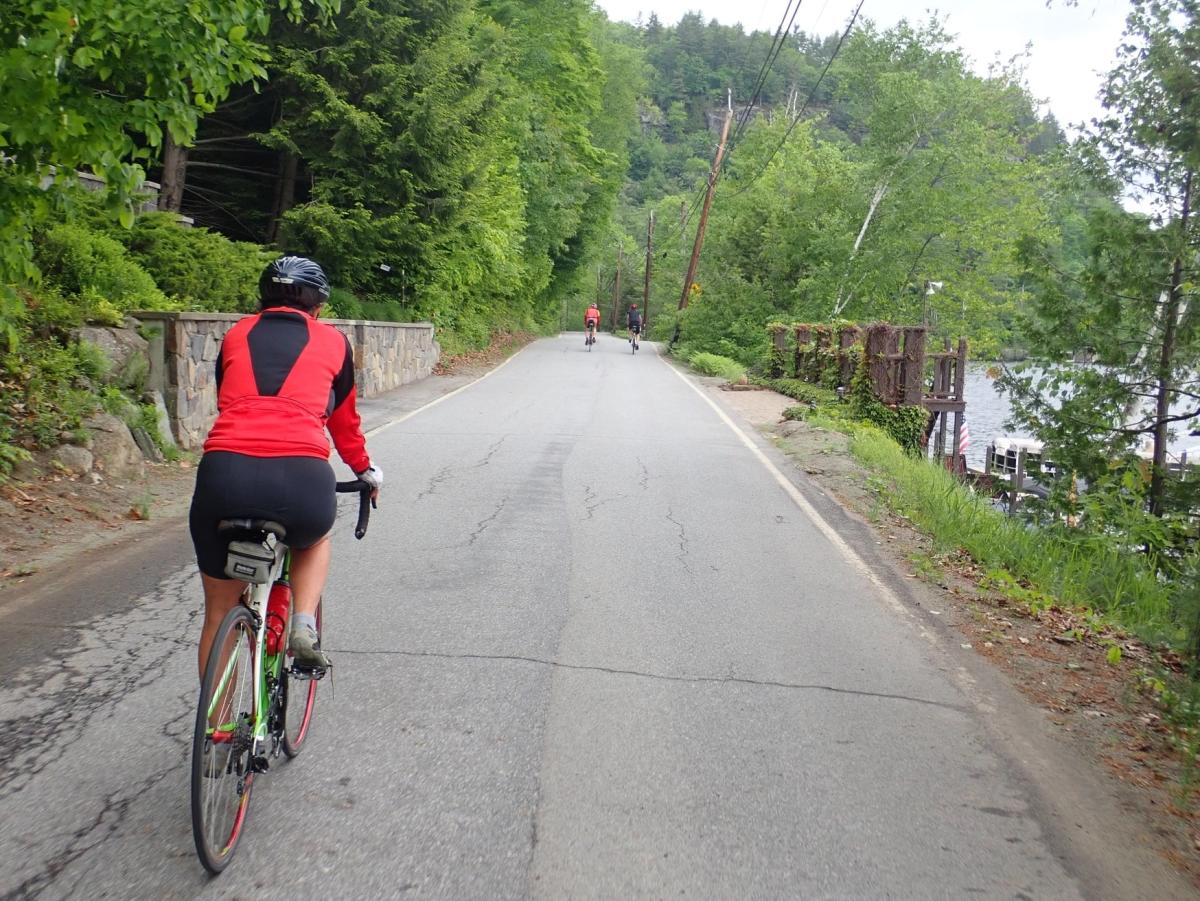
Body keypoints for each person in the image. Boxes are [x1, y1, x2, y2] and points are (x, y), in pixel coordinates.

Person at [189, 256, 382, 677]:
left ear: (264, 299)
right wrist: (364, 470)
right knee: (313, 539)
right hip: (301, 476)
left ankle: (216, 730)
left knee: (219, 610)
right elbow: (344, 422)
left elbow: (227, 400)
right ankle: (303, 625)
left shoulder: (237, 334)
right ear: (319, 306)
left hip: (224, 472)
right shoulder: (333, 343)